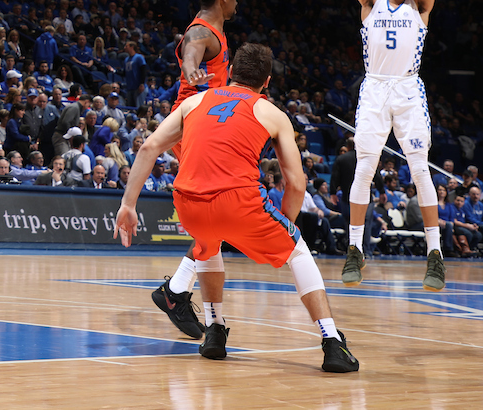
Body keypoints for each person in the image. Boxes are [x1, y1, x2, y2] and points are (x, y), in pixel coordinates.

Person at [115, 45, 360, 373]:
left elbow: (149, 146)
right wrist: (286, 223)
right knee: (298, 252)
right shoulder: (271, 112)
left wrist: (128, 204)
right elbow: (297, 183)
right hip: (239, 202)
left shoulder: (194, 101)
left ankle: (215, 331)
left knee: (206, 245)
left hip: (188, 202)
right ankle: (332, 342)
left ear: (230, 73)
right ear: (267, 81)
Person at [333, 0, 444, 291]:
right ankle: (354, 250)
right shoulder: (371, 1)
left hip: (408, 91)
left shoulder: (420, 6)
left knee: (418, 168)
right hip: (375, 90)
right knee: (364, 166)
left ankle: (435, 255)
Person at [152, 0, 260, 340]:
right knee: (219, 213)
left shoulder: (212, 12)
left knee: (215, 220)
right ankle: (175, 292)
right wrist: (191, 68)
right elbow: (192, 49)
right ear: (223, 0)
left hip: (203, 122)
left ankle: (176, 291)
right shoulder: (201, 32)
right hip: (193, 125)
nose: (237, 0)